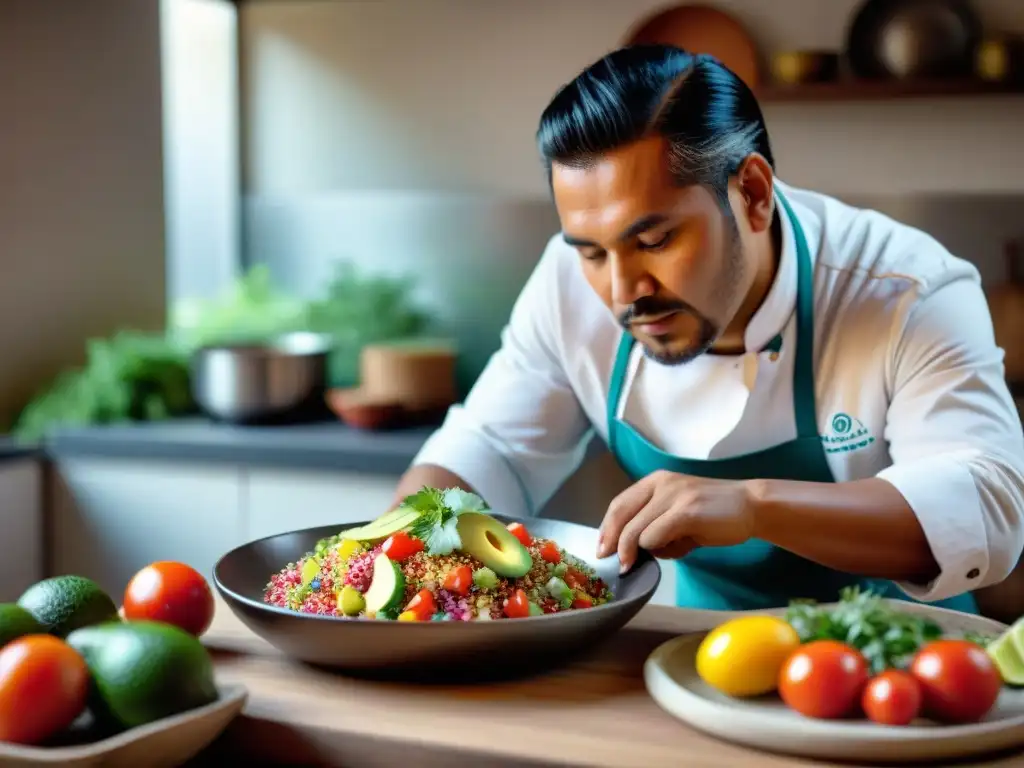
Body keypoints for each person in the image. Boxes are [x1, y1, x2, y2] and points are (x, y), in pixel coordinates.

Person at [389, 45, 1024, 614]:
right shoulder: (568, 282)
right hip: (699, 663)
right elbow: (493, 448)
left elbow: (986, 509)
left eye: (656, 240)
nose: (621, 291)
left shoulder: (905, 288)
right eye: (591, 252)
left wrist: (753, 506)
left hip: (904, 671)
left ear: (751, 192)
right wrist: (383, 555)